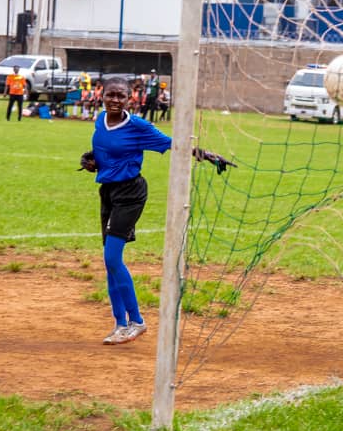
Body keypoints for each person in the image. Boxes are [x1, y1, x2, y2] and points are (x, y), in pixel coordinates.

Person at [79, 77, 235, 345]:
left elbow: (174, 144)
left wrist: (206, 154)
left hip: (130, 194)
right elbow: (103, 149)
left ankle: (137, 322)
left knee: (113, 258)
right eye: (110, 95)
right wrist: (89, 159)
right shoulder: (100, 120)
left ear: (130, 99)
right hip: (107, 192)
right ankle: (119, 324)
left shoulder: (138, 126)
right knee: (109, 262)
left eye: (121, 96)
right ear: (102, 96)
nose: (115, 100)